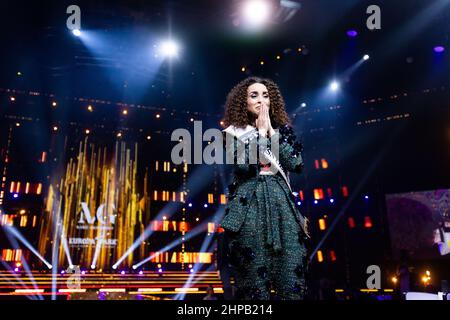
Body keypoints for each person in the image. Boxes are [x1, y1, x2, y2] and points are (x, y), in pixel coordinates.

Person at [220, 76, 310, 300]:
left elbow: (296, 164)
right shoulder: (233, 133)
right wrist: (259, 134)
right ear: (244, 102)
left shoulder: (281, 131)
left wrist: (272, 132)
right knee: (254, 290)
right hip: (249, 210)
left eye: (265, 95)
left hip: (284, 210)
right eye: (254, 95)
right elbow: (244, 165)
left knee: (292, 285)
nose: (261, 100)